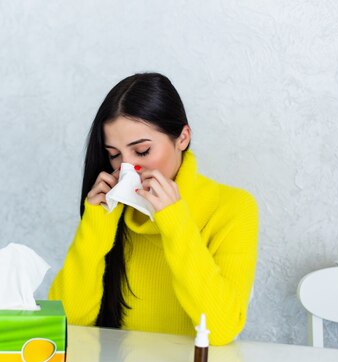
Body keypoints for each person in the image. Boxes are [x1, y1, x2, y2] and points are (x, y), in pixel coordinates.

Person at [49, 73, 258, 345]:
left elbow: (220, 329)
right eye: (114, 154)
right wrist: (95, 225)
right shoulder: (111, 212)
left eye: (143, 151)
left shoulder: (233, 208)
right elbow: (66, 325)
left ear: (182, 138)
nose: (127, 168)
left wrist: (174, 221)